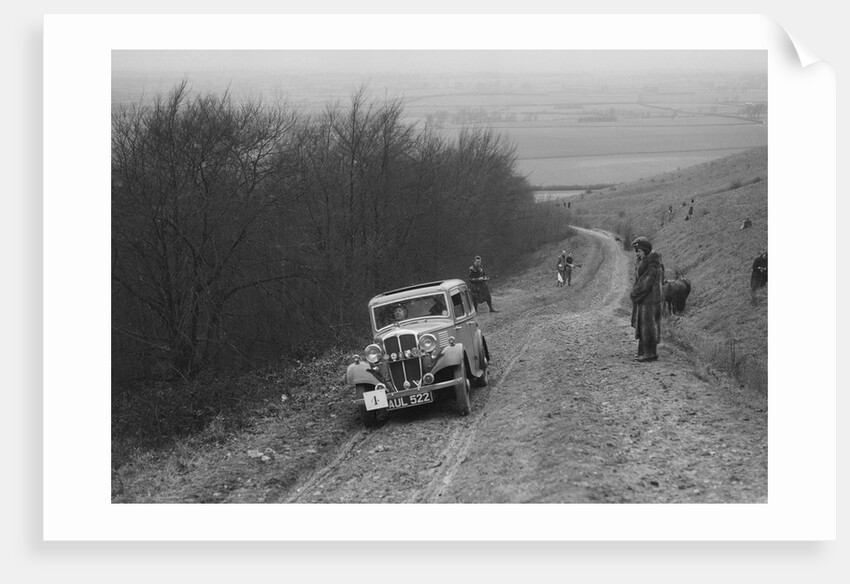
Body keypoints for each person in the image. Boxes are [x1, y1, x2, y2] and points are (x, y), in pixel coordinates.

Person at [629, 236, 664, 362]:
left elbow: (645, 283)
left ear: (645, 250)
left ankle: (649, 354)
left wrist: (634, 293)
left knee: (648, 327)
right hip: (647, 300)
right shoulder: (647, 261)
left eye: (639, 251)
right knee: (645, 325)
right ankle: (643, 351)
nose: (637, 253)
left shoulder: (653, 264)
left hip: (651, 301)